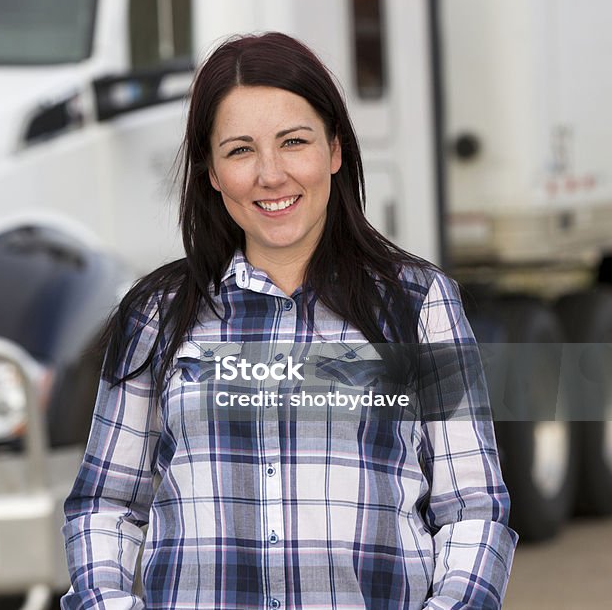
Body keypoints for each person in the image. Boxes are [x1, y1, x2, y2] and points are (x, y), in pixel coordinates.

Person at [61, 32, 517, 609]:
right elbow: (107, 503)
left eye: (293, 141)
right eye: (240, 150)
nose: (270, 174)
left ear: (334, 150)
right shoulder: (156, 315)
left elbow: (472, 507)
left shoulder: (419, 304)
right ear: (211, 172)